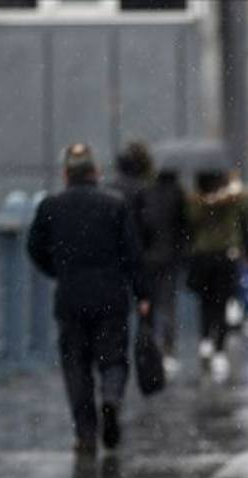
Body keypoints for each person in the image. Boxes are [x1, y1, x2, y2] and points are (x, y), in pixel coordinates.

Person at [28, 143, 149, 454]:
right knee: (113, 359)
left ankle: (86, 434)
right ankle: (110, 398)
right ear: (96, 173)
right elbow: (132, 254)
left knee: (76, 366)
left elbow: (34, 249)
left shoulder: (50, 207)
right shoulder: (115, 205)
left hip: (70, 298)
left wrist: (58, 270)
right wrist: (143, 294)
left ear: (66, 174)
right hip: (111, 296)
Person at [187, 169, 244, 381]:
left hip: (203, 256)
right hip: (224, 255)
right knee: (221, 303)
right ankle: (219, 349)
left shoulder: (196, 202)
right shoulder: (229, 200)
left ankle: (206, 342)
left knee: (206, 303)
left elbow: (190, 222)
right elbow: (239, 197)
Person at [139, 170, 191, 372]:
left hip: (150, 257)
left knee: (149, 304)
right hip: (170, 257)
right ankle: (168, 349)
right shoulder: (178, 194)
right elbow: (184, 226)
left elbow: (143, 224)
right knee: (168, 303)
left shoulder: (147, 192)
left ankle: (149, 347)